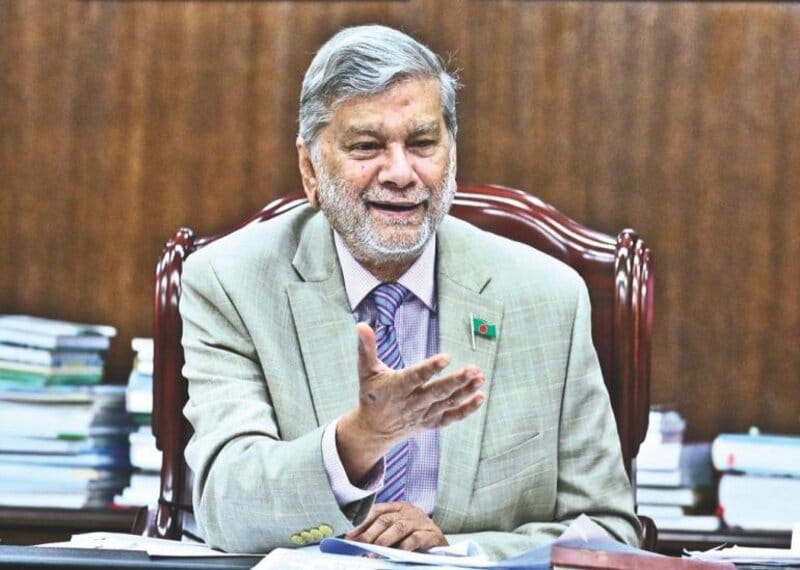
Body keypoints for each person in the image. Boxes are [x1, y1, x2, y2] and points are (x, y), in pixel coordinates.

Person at [179, 24, 641, 559]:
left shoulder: (548, 297)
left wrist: (453, 553)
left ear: (452, 153)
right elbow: (226, 510)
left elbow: (607, 533)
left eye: (422, 144)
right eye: (367, 146)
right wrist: (359, 441)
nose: (401, 173)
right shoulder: (231, 284)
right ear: (310, 168)